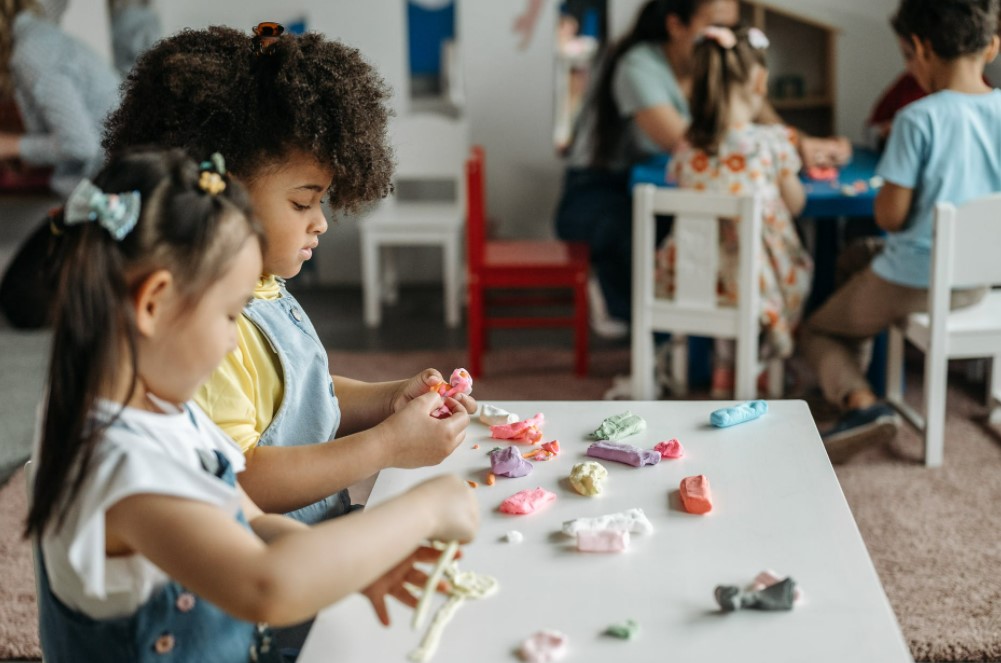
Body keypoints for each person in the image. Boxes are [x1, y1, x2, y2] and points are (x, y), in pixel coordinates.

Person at [24, 148, 478, 662]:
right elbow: (269, 586)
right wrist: (426, 506)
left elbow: (250, 519)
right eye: (232, 314)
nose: (233, 342)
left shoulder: (158, 407)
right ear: (153, 303)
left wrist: (352, 561)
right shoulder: (120, 466)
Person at [100, 24, 479, 528]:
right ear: (226, 193)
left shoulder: (263, 286)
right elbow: (242, 481)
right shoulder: (201, 331)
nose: (320, 220)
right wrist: (386, 446)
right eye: (302, 202)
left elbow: (302, 399)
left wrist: (390, 400)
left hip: (309, 541)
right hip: (267, 562)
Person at [553, 0, 846, 338]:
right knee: (662, 234)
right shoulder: (639, 66)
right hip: (599, 187)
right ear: (677, 25)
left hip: (657, 180)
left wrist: (805, 143)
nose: (725, 36)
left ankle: (724, 335)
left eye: (731, 27)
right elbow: (693, 143)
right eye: (715, 25)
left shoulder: (716, 66)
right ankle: (640, 316)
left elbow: (750, 109)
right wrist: (780, 146)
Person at [799, 0, 1001, 461]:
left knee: (817, 331)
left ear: (921, 49)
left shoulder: (918, 118)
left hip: (914, 278)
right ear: (989, 47)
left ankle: (863, 404)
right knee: (855, 256)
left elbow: (890, 217)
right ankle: (853, 368)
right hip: (976, 283)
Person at [656, 25, 812, 398]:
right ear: (760, 80)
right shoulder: (773, 142)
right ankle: (759, 360)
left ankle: (724, 364)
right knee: (795, 269)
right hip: (758, 284)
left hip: (692, 279)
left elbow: (682, 189)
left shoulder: (686, 146)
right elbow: (796, 204)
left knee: (725, 263)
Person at [0, 0, 119, 197]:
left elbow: (80, 145)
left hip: (112, 187)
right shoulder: (35, 35)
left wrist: (10, 146)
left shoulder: (31, 51)